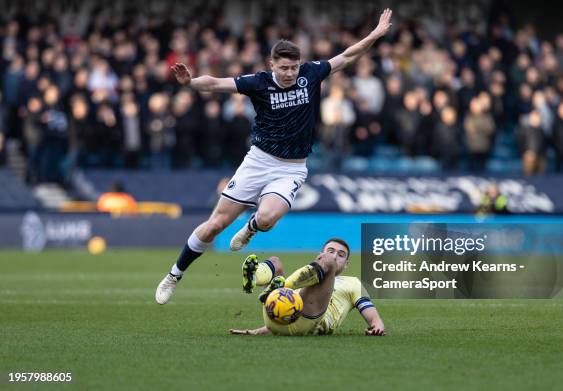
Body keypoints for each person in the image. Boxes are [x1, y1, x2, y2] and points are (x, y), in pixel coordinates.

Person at [155, 9, 393, 305]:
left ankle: (250, 228)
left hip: (291, 168)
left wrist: (375, 34)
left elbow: (347, 56)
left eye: (294, 67)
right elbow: (217, 83)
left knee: (267, 219)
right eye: (284, 68)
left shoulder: (311, 74)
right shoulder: (258, 83)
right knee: (215, 224)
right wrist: (190, 83)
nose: (290, 73)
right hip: (258, 161)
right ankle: (174, 275)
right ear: (272, 65)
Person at [229, 238, 386, 336]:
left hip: (311, 321)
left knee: (291, 278)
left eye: (341, 254)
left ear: (346, 264)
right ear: (319, 255)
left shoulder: (354, 283)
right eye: (330, 251)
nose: (334, 256)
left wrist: (377, 326)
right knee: (275, 262)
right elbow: (285, 310)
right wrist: (257, 331)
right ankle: (254, 277)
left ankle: (282, 286)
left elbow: (373, 316)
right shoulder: (308, 276)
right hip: (278, 318)